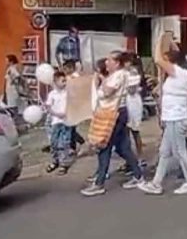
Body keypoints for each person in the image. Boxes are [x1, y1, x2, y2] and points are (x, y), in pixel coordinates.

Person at [139, 32, 187, 195]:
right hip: (172, 117)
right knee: (165, 152)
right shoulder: (180, 71)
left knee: (180, 152)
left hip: (177, 118)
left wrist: (160, 40)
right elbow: (175, 54)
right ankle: (156, 183)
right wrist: (170, 41)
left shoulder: (178, 72)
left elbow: (158, 59)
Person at [81, 51, 145, 197]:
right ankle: (138, 175)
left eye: (109, 60)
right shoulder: (116, 75)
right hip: (114, 113)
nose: (106, 63)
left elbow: (108, 92)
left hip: (113, 114)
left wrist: (102, 80)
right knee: (123, 148)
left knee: (104, 146)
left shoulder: (119, 75)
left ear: (116, 63)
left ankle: (99, 183)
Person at [43, 71, 73, 175]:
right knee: (54, 143)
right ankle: (55, 161)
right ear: (56, 82)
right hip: (55, 122)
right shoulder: (52, 94)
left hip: (66, 121)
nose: (65, 83)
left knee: (64, 143)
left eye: (65, 81)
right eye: (62, 81)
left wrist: (67, 112)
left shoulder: (68, 93)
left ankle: (63, 164)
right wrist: (56, 114)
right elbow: (48, 108)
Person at [124, 54, 146, 167]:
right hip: (127, 102)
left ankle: (140, 157)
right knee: (126, 133)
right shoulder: (126, 72)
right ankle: (129, 159)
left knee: (135, 131)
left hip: (133, 103)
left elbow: (131, 90)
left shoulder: (133, 72)